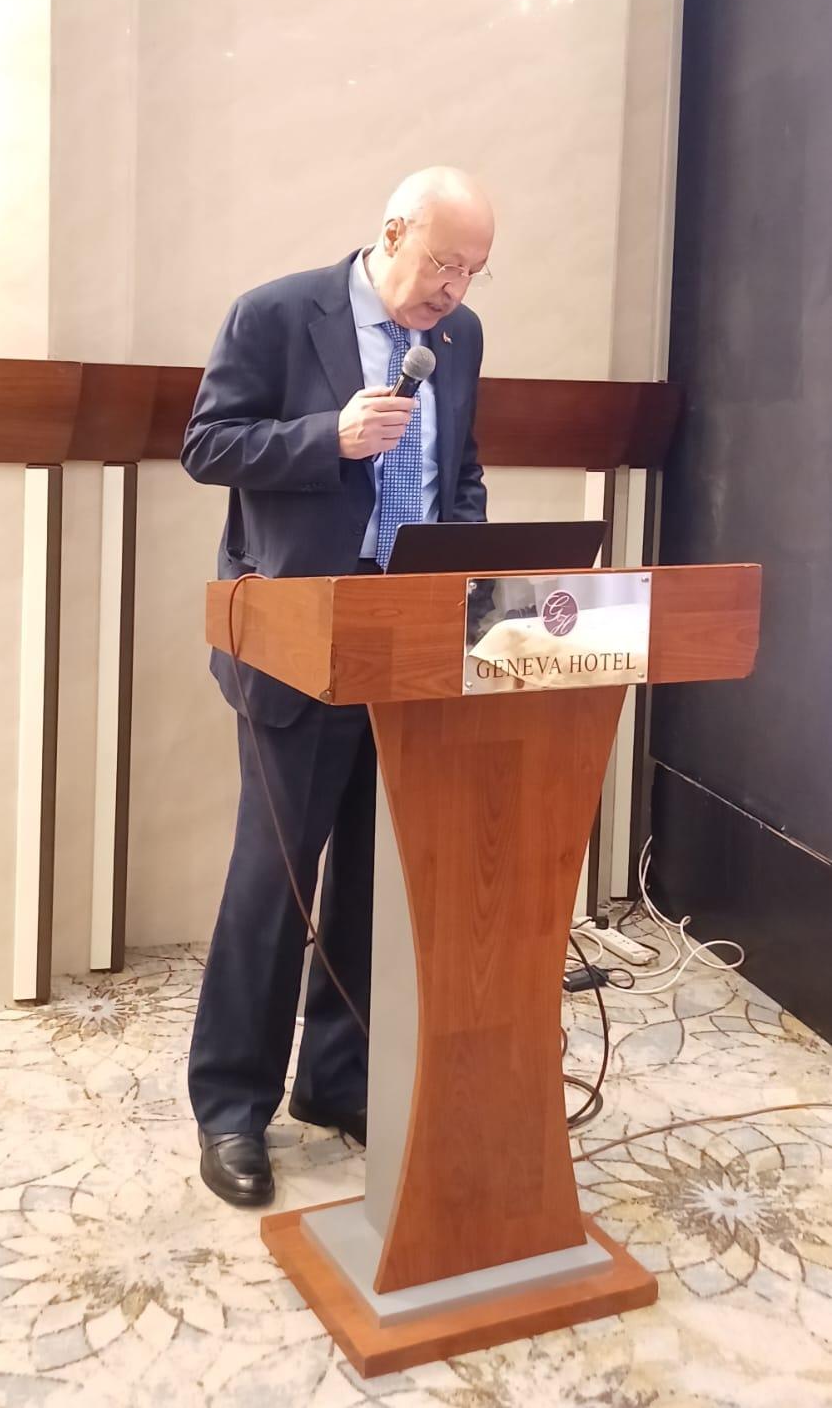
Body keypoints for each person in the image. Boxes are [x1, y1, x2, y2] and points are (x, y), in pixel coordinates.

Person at [181, 166, 494, 1207]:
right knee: (272, 884)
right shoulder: (275, 315)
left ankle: (338, 1078)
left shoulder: (461, 338)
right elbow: (205, 445)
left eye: (472, 270)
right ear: (393, 232)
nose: (453, 288)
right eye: (442, 262)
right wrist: (331, 437)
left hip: (408, 646)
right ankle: (232, 1108)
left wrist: (460, 555)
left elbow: (458, 472)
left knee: (370, 877)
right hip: (297, 641)